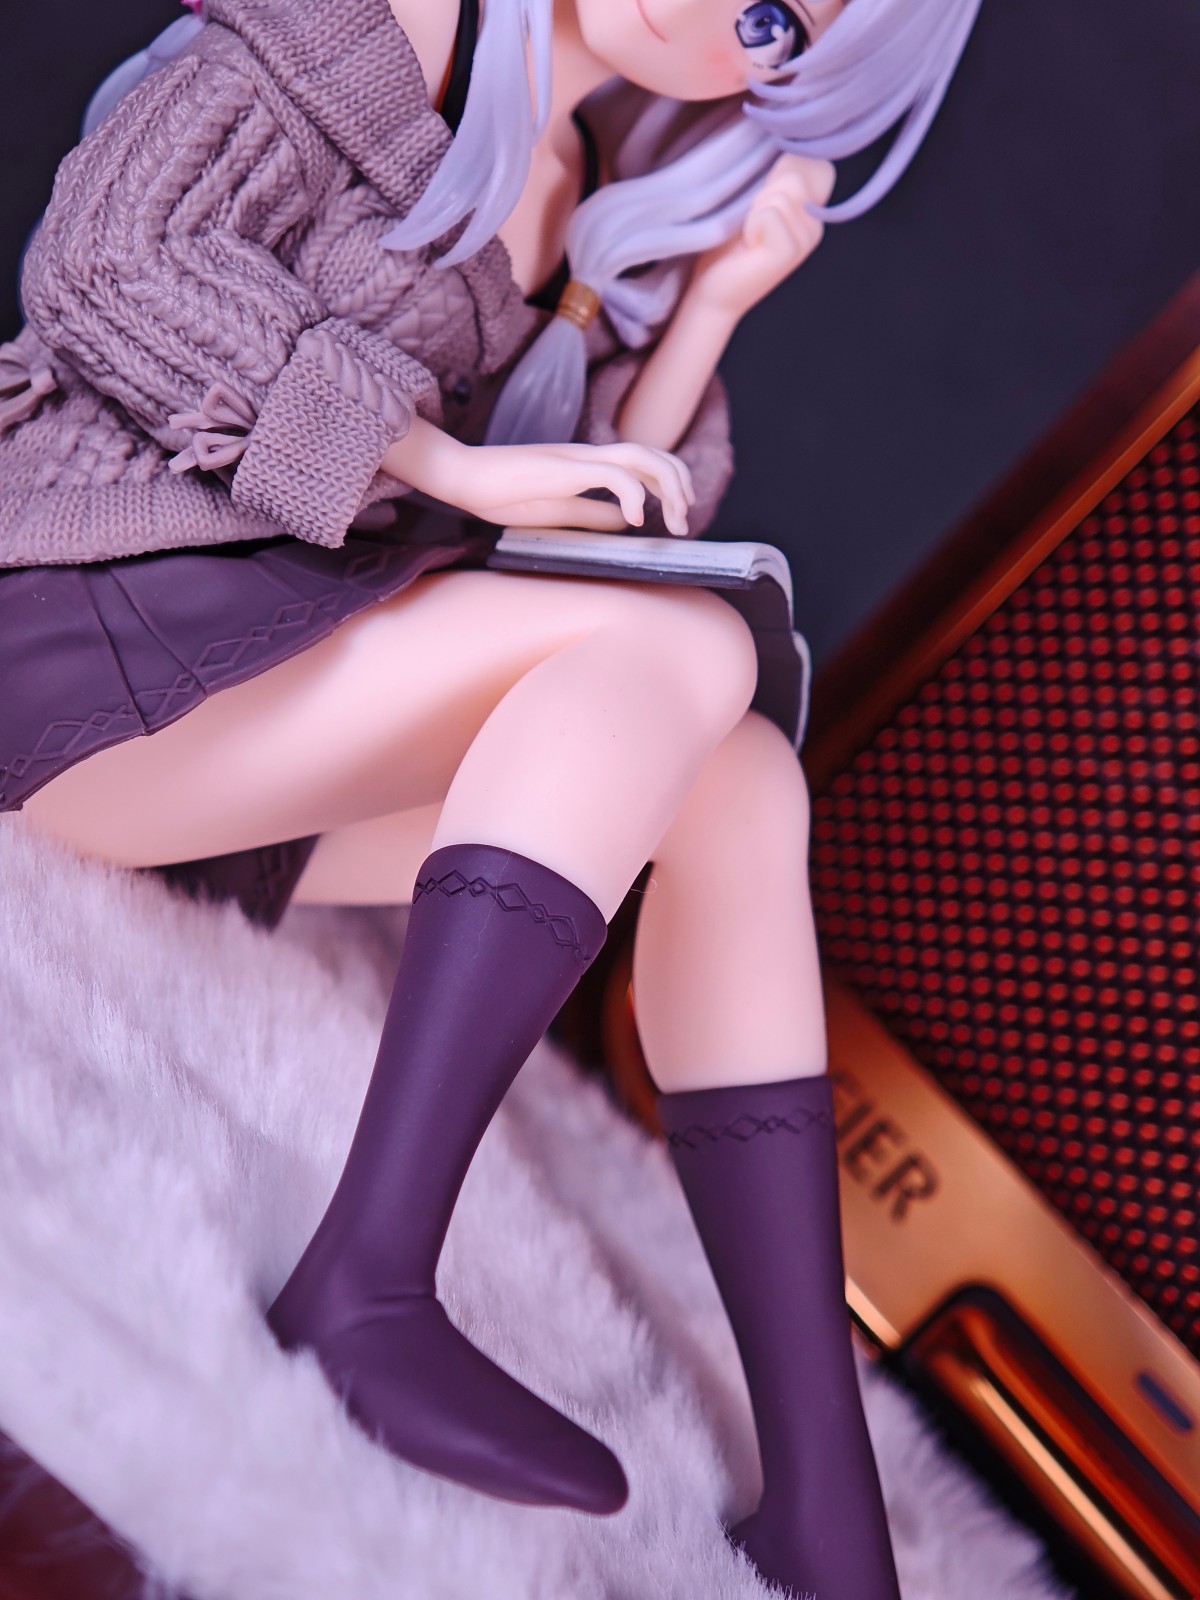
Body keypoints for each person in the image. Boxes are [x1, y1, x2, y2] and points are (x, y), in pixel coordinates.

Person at [0, 0, 982, 1592]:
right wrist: (440, 467)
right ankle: (372, 1273)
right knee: (676, 661)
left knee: (733, 772)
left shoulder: (596, 189)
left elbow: (601, 540)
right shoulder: (379, 31)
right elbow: (110, 259)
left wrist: (710, 308)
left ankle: (822, 1493)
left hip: (239, 750)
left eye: (773, 19)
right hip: (80, 635)